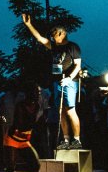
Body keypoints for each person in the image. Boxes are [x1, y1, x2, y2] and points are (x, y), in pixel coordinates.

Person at [21, 14, 83, 149]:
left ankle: (77, 139)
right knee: (61, 110)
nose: (53, 37)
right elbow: (40, 39)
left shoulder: (73, 47)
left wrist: (69, 78)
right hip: (57, 81)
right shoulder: (54, 46)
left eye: (55, 35)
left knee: (70, 110)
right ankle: (66, 140)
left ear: (62, 34)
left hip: (70, 82)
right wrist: (29, 25)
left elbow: (78, 65)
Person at [0, 81, 42, 172]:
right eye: (36, 92)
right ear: (28, 93)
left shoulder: (36, 105)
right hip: (12, 139)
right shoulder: (21, 105)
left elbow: (31, 124)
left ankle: (12, 170)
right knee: (9, 170)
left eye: (39, 92)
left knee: (36, 165)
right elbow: (20, 125)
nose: (38, 94)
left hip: (24, 140)